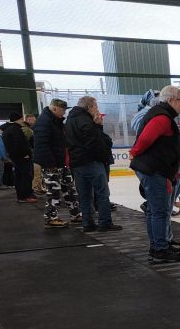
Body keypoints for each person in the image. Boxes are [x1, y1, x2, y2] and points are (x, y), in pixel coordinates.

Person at [130, 85, 180, 263]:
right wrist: (136, 152)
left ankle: (159, 245)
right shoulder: (162, 117)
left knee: (156, 211)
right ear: (171, 100)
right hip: (154, 170)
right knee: (159, 211)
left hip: (154, 169)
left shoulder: (161, 114)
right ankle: (159, 249)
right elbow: (145, 139)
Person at [65, 96, 120, 233]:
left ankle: (88, 223)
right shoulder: (86, 121)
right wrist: (102, 157)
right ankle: (105, 222)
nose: (97, 109)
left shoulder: (70, 120)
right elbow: (95, 142)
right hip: (91, 162)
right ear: (89, 107)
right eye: (96, 106)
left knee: (84, 194)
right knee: (102, 193)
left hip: (77, 163)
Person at [33, 98, 80, 229]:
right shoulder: (45, 122)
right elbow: (42, 146)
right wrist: (50, 164)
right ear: (54, 108)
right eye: (62, 110)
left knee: (70, 190)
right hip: (52, 165)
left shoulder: (56, 122)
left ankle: (76, 214)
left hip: (61, 163)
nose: (64, 113)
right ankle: (50, 218)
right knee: (53, 193)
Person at [1, 112, 36, 203]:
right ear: (18, 119)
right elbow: (19, 144)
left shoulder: (7, 130)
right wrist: (25, 154)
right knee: (25, 177)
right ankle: (25, 196)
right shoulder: (16, 130)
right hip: (22, 158)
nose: (22, 121)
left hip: (15, 157)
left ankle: (21, 196)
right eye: (21, 119)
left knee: (19, 176)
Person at [25, 113, 45, 195]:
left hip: (37, 153)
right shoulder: (27, 130)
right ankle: (35, 188)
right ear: (26, 120)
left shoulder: (34, 129)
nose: (32, 121)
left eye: (33, 119)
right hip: (33, 153)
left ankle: (39, 187)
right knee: (36, 172)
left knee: (39, 172)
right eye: (30, 119)